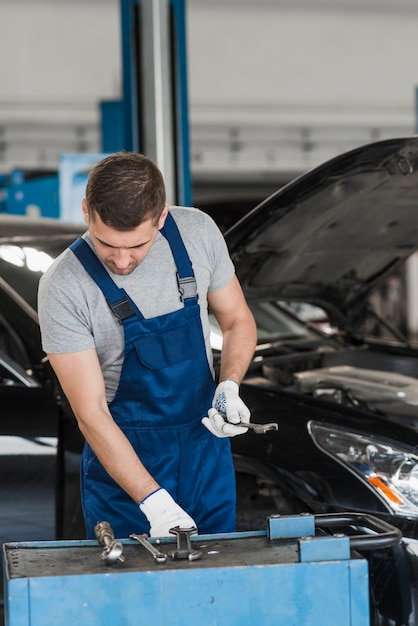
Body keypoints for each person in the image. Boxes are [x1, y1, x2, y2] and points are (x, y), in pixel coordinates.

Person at [38, 152, 257, 540]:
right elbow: (90, 414)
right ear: (86, 211)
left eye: (137, 246)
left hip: (205, 457)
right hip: (125, 475)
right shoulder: (63, 286)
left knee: (218, 586)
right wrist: (153, 500)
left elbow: (238, 320)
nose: (121, 262)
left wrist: (229, 385)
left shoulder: (197, 234)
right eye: (108, 244)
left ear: (161, 218)